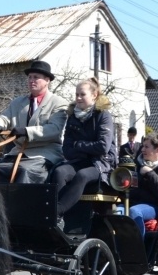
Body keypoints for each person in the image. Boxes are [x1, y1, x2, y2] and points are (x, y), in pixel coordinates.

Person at [49, 77, 117, 224]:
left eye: (82, 94)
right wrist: (86, 149)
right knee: (60, 171)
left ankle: (55, 214)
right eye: (76, 94)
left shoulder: (103, 115)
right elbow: (67, 150)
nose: (78, 98)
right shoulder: (72, 117)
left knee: (82, 175)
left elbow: (103, 147)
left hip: (100, 164)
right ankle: (60, 218)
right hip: (79, 161)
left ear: (94, 95)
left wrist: (79, 145)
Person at [0, 59, 68, 183]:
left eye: (36, 77)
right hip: (17, 153)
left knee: (24, 171)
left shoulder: (59, 103)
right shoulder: (18, 102)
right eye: (29, 77)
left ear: (47, 80)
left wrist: (26, 131)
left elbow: (55, 129)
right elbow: (3, 117)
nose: (31, 81)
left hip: (44, 154)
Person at [121, 132, 158, 238]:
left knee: (134, 211)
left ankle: (138, 250)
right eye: (142, 146)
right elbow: (131, 190)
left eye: (146, 147)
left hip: (154, 206)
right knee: (115, 211)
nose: (142, 150)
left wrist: (150, 173)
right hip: (134, 202)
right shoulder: (137, 164)